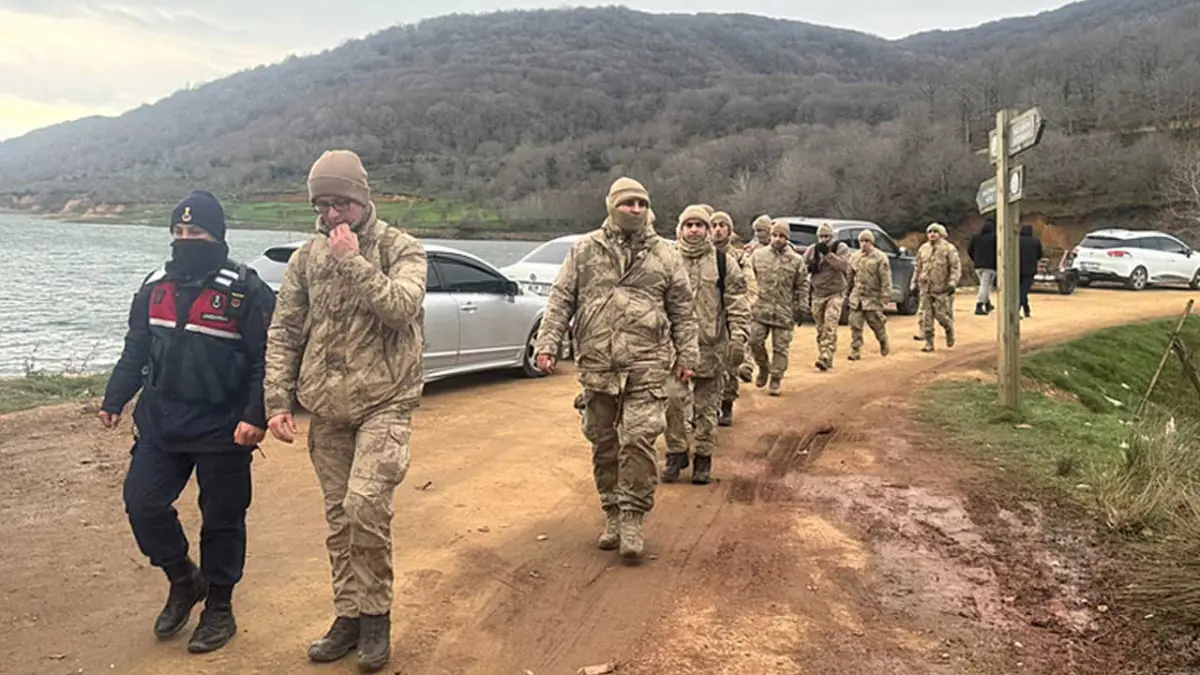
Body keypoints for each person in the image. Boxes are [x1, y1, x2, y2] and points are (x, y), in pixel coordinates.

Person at [264, 149, 427, 672]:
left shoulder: (401, 247)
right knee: (338, 519)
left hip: (386, 402)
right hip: (328, 407)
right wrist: (277, 399)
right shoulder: (306, 257)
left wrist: (352, 260)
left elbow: (402, 308)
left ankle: (377, 617)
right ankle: (349, 615)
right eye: (324, 205)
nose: (333, 216)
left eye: (343, 204)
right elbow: (285, 330)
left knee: (364, 506)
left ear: (363, 198)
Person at [99, 191, 275, 654]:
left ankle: (220, 606)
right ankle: (183, 578)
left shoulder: (245, 289)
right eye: (178, 232)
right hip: (161, 422)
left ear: (217, 236)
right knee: (144, 505)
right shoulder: (153, 285)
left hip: (224, 426)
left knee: (222, 519)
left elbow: (266, 360)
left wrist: (255, 415)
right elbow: (136, 347)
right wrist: (114, 398)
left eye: (195, 233)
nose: (185, 240)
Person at [532, 177, 699, 562]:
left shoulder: (665, 255)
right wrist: (547, 345)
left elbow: (683, 311)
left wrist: (687, 358)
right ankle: (610, 510)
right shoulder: (585, 250)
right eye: (628, 204)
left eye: (642, 203)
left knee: (639, 440)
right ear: (612, 206)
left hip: (647, 363)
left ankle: (633, 517)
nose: (636, 209)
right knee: (603, 442)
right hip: (598, 365)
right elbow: (560, 301)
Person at [663, 206, 751, 484]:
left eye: (700, 225)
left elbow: (737, 303)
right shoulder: (667, 260)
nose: (694, 230)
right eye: (688, 224)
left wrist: (738, 338)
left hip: (711, 348)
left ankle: (703, 457)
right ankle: (677, 451)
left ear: (708, 229)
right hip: (673, 350)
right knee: (672, 401)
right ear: (680, 228)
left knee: (706, 407)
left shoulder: (725, 263)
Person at [748, 221, 810, 396]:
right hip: (760, 309)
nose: (777, 239)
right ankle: (763, 366)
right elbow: (749, 280)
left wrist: (802, 306)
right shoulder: (757, 256)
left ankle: (776, 378)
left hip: (784, 312)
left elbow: (802, 285)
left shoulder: (796, 261)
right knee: (754, 341)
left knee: (780, 348)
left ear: (787, 238)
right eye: (775, 235)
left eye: (782, 236)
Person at [710, 211, 756, 426]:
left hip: (729, 317)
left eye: (722, 225)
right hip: (704, 318)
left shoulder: (739, 258)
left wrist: (741, 314)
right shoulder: (700, 254)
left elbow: (749, 287)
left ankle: (727, 403)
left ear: (729, 230)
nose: (718, 229)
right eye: (714, 225)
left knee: (729, 365)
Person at [803, 222, 851, 371]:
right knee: (820, 328)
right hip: (818, 293)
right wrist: (812, 264)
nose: (824, 240)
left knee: (830, 325)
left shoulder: (840, 248)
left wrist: (828, 255)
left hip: (835, 293)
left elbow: (844, 266)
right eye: (821, 237)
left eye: (827, 237)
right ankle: (823, 353)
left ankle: (826, 355)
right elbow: (803, 268)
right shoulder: (812, 250)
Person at [912, 222, 963, 353]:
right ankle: (929, 343)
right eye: (930, 232)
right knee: (926, 316)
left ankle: (948, 328)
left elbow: (955, 267)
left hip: (942, 288)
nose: (932, 234)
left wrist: (952, 283)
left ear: (941, 234)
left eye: (935, 232)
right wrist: (914, 283)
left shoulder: (948, 249)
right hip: (925, 287)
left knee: (940, 314)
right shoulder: (923, 249)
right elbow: (918, 267)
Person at [845, 230, 892, 360]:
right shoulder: (854, 257)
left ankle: (883, 341)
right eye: (861, 241)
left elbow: (885, 277)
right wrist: (847, 292)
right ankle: (855, 350)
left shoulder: (880, 258)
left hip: (872, 297)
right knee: (855, 324)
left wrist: (886, 294)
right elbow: (850, 276)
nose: (864, 244)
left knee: (875, 323)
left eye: (867, 241)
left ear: (872, 242)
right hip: (857, 296)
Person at [967, 218, 997, 315]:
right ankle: (979, 306)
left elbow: (969, 250)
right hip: (990, 266)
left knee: (985, 285)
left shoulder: (976, 237)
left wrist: (975, 259)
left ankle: (987, 304)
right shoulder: (995, 238)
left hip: (978, 266)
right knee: (985, 286)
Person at [1019, 224, 1044, 318]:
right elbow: (1040, 255)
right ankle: (1017, 309)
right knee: (1024, 290)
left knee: (1020, 290)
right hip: (1030, 269)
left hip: (1017, 268)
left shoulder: (1017, 241)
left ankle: (1026, 309)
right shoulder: (1036, 242)